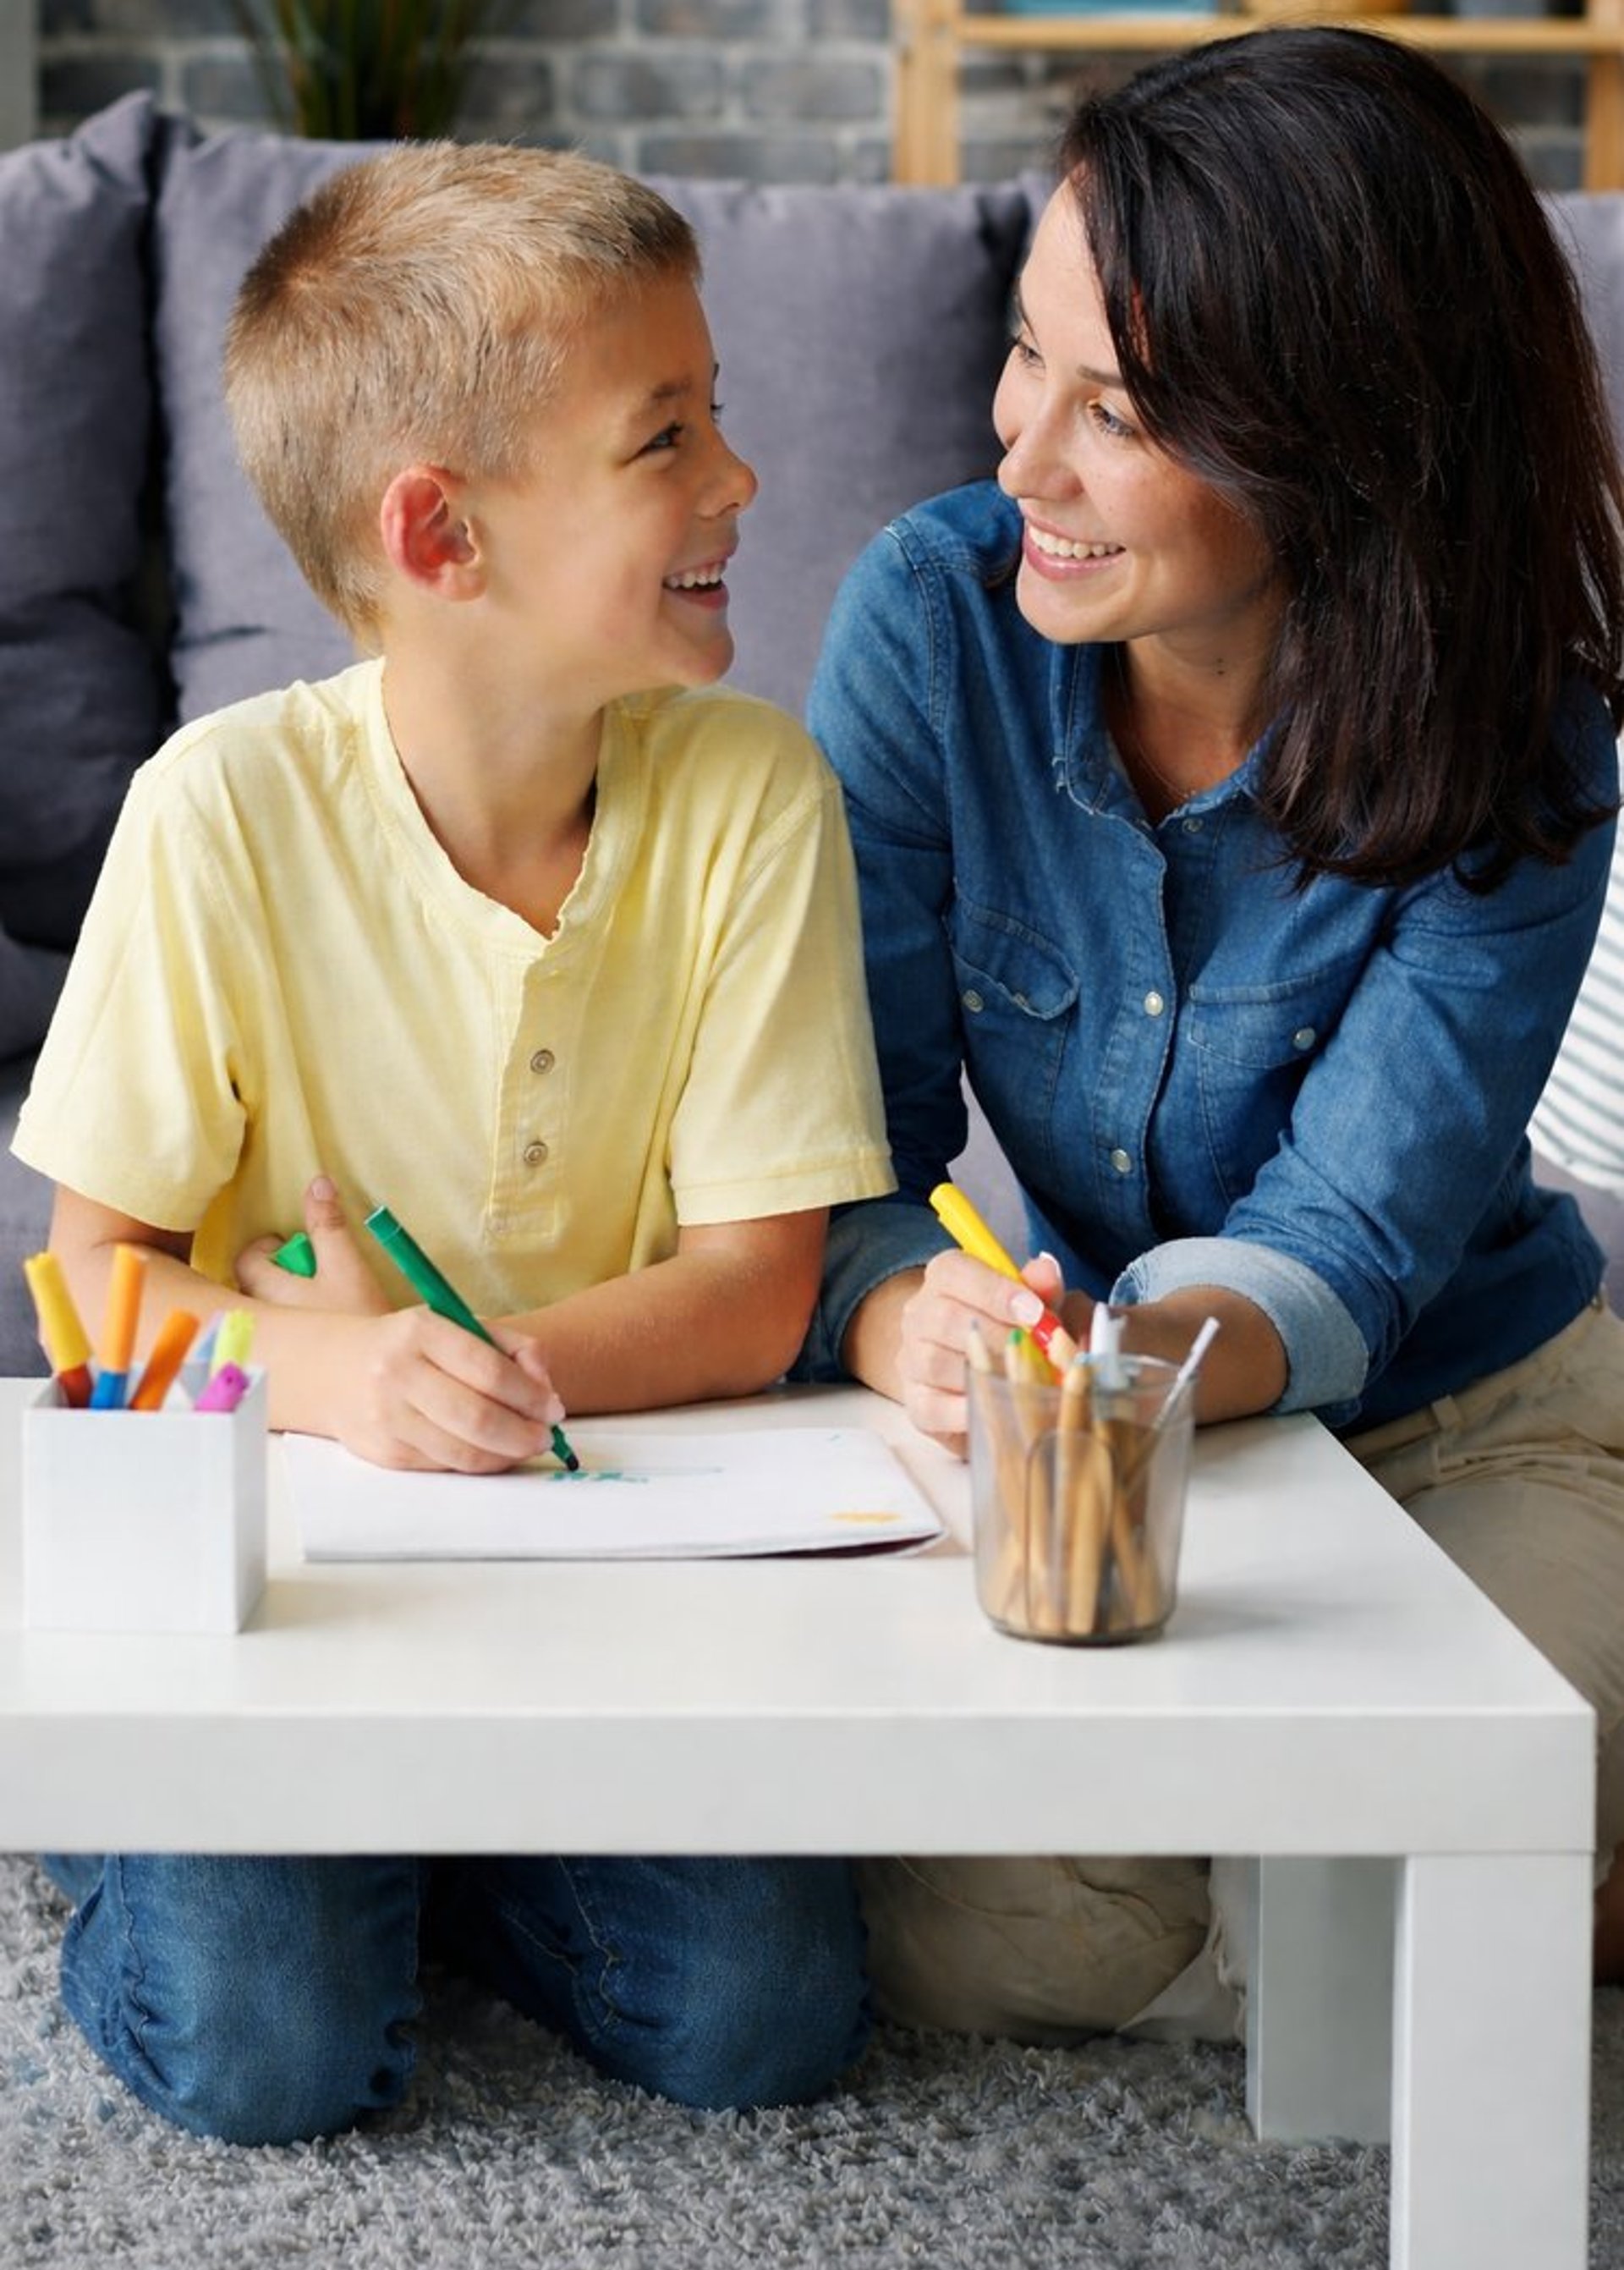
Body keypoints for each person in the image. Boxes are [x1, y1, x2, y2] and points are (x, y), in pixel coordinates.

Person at [10, 142, 894, 2142]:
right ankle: (135, 1822)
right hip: (282, 1602)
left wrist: (458, 1385)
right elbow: (92, 1280)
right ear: (442, 531)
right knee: (265, 2052)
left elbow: (762, 1291)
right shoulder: (215, 813)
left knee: (768, 2011)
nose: (740, 478)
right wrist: (334, 1373)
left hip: (593, 1582)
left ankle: (420, 1851)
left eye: (722, 413)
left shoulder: (754, 795)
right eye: (668, 436)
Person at [799, 27, 1624, 2038]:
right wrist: (924, 1320)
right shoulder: (936, 622)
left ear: (1342, 435)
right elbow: (850, 1149)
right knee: (1002, 1951)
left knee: (1390, 1958)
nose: (1022, 458)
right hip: (1109, 1418)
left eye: (1123, 410)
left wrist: (1127, 1366)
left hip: (1471, 1408)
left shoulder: (1529, 733)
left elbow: (1351, 1237)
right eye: (1027, 356)